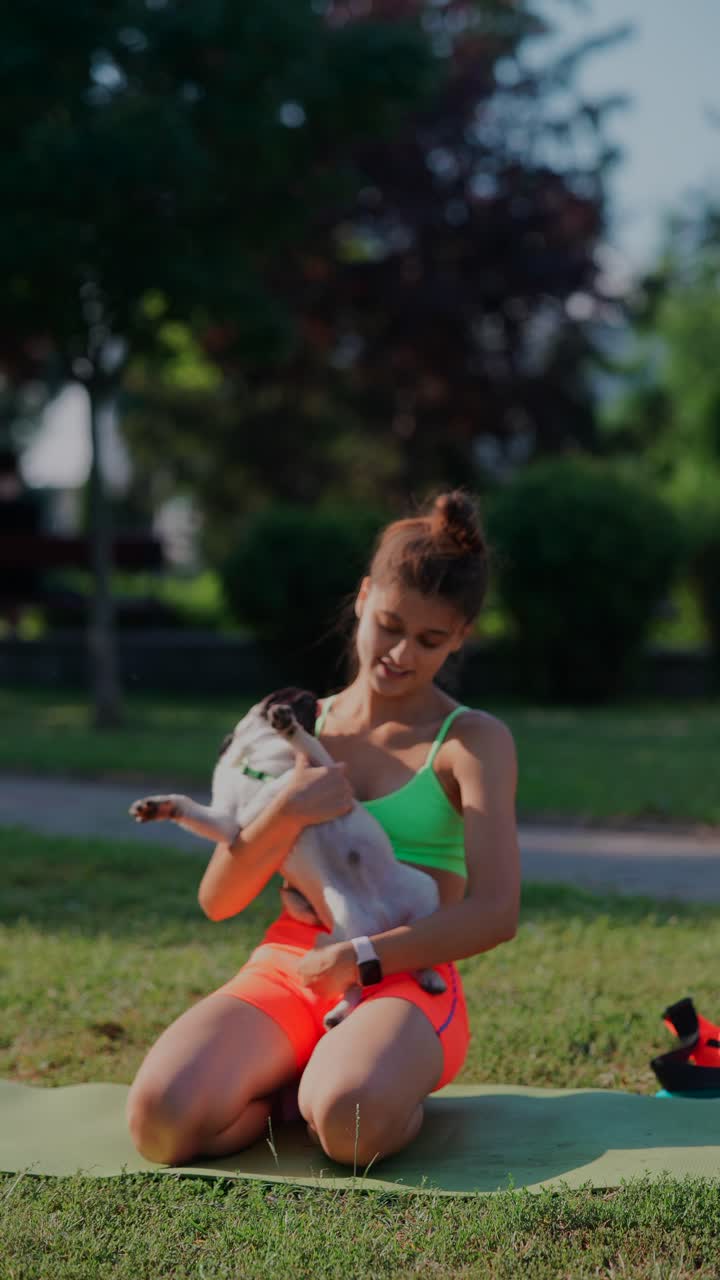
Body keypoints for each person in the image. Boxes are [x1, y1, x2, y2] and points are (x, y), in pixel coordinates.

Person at [127, 490, 520, 1168]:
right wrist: (288, 808)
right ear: (364, 597)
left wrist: (361, 959)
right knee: (159, 1121)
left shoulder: (472, 741)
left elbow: (496, 913)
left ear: (460, 637)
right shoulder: (292, 727)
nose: (399, 654)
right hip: (293, 964)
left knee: (351, 1120)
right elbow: (219, 900)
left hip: (406, 971)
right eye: (390, 624)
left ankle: (354, 1080)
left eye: (428, 641)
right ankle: (291, 1083)